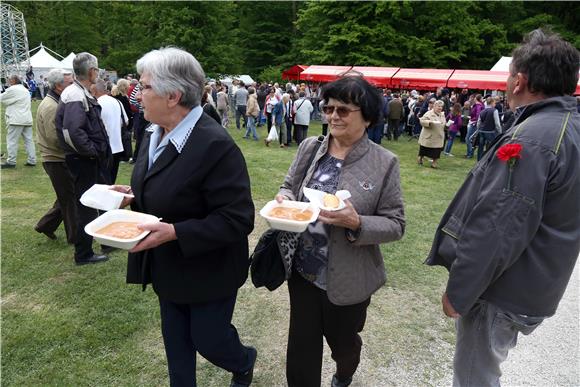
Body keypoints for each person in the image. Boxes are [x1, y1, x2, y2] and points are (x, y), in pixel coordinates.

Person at [425, 29, 580, 386]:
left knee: (474, 377)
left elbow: (498, 228)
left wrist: (459, 293)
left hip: (503, 289)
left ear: (519, 81)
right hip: (534, 282)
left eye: (509, 76)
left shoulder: (534, 137)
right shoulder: (565, 127)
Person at [112, 47, 257, 387]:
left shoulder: (215, 145)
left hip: (210, 270)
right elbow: (167, 185)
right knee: (177, 354)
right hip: (168, 266)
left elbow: (238, 218)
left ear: (173, 95)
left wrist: (175, 231)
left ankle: (244, 360)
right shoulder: (154, 132)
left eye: (145, 86)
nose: (137, 93)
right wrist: (135, 195)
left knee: (209, 340)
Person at [276, 76, 405, 387]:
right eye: (329, 108)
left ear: (368, 116)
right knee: (302, 348)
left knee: (343, 343)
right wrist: (286, 201)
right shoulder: (310, 147)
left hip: (350, 278)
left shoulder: (384, 162)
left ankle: (345, 371)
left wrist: (356, 222)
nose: (333, 116)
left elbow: (396, 224)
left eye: (344, 110)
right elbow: (288, 187)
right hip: (303, 271)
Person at [55, 52, 111, 265]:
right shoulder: (75, 95)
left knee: (98, 200)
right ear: (91, 71)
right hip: (83, 160)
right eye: (97, 69)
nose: (98, 72)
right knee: (86, 206)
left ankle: (105, 241)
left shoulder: (78, 92)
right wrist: (92, 152)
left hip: (86, 159)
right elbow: (72, 132)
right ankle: (83, 253)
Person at [34, 68, 77, 243]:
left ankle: (45, 225)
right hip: (56, 159)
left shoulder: (55, 101)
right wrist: (77, 148)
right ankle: (75, 238)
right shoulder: (52, 106)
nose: (74, 86)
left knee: (66, 195)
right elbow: (55, 138)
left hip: (57, 158)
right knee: (69, 199)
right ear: (59, 86)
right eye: (70, 83)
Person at [93, 79, 128, 184]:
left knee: (101, 184)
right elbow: (125, 121)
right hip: (117, 147)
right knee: (111, 181)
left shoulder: (96, 104)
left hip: (103, 149)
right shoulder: (117, 102)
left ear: (94, 90)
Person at [0, 75, 36, 169]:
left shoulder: (12, 89)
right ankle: (32, 160)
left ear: (13, 81)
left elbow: (2, 99)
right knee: (29, 141)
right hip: (27, 118)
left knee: (12, 140)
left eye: (9, 80)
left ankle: (11, 161)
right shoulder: (25, 90)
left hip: (16, 119)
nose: (8, 82)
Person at [418, 100, 446, 168]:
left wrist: (447, 125)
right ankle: (420, 158)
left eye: (441, 106)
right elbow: (422, 121)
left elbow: (443, 123)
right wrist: (430, 122)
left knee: (437, 151)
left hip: (439, 136)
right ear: (434, 106)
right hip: (429, 136)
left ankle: (434, 163)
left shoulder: (442, 115)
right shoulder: (429, 113)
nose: (440, 108)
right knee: (424, 149)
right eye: (438, 106)